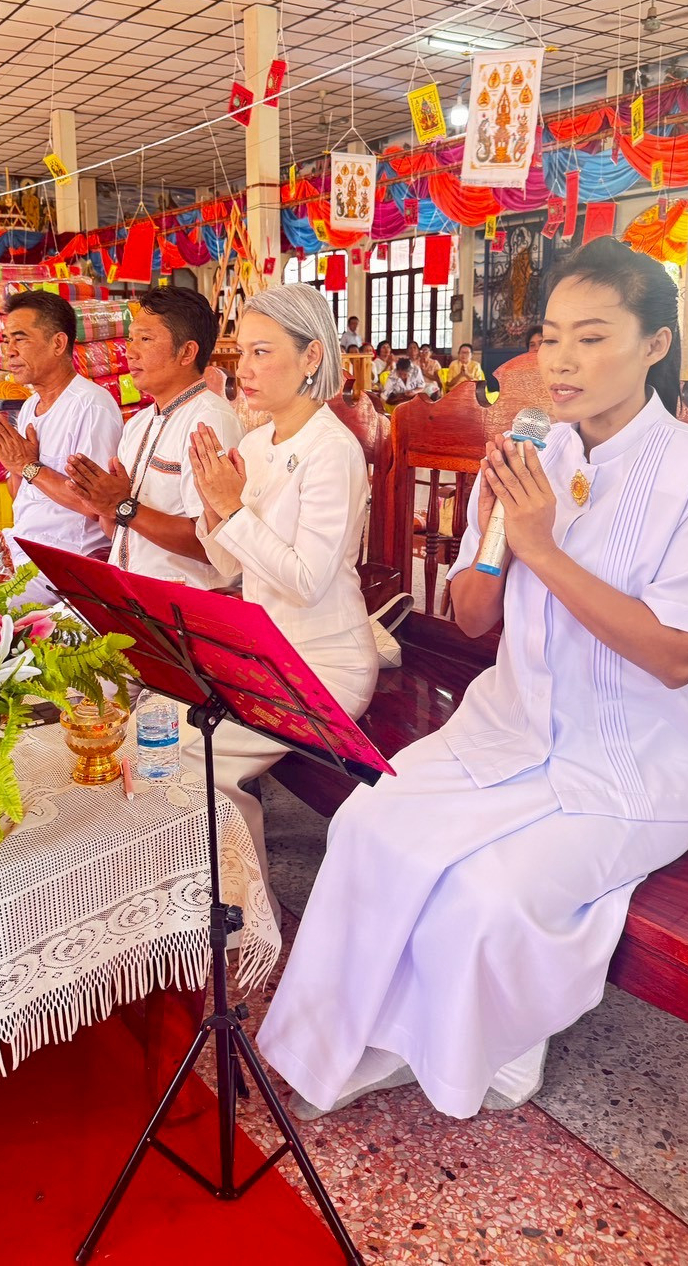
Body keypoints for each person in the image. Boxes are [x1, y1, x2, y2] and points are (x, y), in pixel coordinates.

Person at [258, 237, 688, 1122]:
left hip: (634, 760)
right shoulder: (529, 452)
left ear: (654, 345)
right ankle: (345, 1033)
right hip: (508, 725)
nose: (561, 360)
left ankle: (465, 1057)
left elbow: (679, 654)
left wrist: (540, 547)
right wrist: (491, 538)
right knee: (372, 819)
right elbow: (477, 617)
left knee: (487, 888)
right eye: (551, 335)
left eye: (593, 337)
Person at [186, 284, 379, 907]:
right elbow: (223, 564)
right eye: (241, 353)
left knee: (199, 761)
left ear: (312, 356)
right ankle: (194, 900)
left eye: (263, 352)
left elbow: (304, 580)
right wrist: (216, 513)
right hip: (265, 649)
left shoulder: (333, 450)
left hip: (325, 662)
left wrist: (228, 507)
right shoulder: (254, 445)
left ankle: (244, 919)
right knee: (162, 730)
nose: (244, 370)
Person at [64, 287, 242, 588]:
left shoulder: (210, 421)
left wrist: (123, 506)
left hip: (185, 604)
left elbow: (217, 548)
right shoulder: (138, 423)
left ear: (187, 352)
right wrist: (102, 504)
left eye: (146, 340)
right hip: (133, 594)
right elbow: (120, 530)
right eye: (131, 339)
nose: (130, 352)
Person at [0, 291, 122, 602]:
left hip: (66, 558)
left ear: (58, 344)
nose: (9, 352)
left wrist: (29, 467)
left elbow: (95, 506)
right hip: (24, 543)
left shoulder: (91, 405)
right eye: (6, 340)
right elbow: (23, 495)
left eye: (20, 339)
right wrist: (15, 466)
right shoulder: (31, 405)